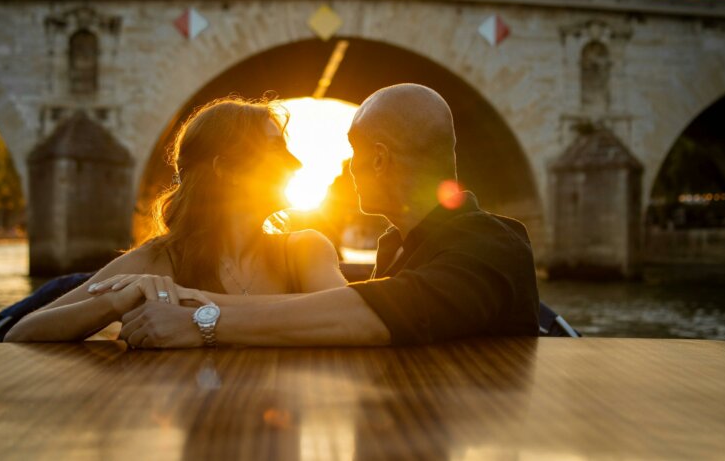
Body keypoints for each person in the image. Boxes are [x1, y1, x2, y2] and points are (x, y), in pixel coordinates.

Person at [91, 84, 540, 347]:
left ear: (379, 159)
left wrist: (200, 320)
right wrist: (192, 301)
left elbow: (366, 317)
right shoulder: (397, 246)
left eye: (353, 155)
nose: (349, 169)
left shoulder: (491, 245)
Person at [4, 98, 347, 342]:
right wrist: (113, 302)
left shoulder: (305, 250)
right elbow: (21, 333)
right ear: (226, 170)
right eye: (276, 149)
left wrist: (198, 314)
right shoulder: (159, 260)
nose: (296, 164)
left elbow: (347, 315)